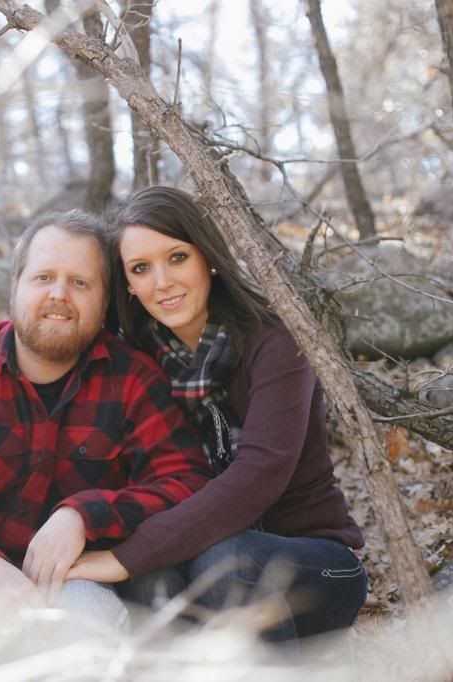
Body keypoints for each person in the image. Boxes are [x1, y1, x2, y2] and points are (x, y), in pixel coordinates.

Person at [0, 210, 212, 635]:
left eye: (80, 283)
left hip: (73, 584)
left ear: (105, 303)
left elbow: (186, 482)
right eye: (43, 278)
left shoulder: (132, 379)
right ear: (14, 287)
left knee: (85, 617)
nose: (59, 294)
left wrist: (83, 515)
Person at [67, 186, 367, 642]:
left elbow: (262, 473)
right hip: (196, 562)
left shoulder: (275, 341)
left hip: (314, 566)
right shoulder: (134, 360)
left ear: (207, 256)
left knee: (224, 558)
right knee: (152, 581)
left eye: (177, 257)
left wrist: (128, 555)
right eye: (141, 268)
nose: (162, 282)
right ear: (127, 283)